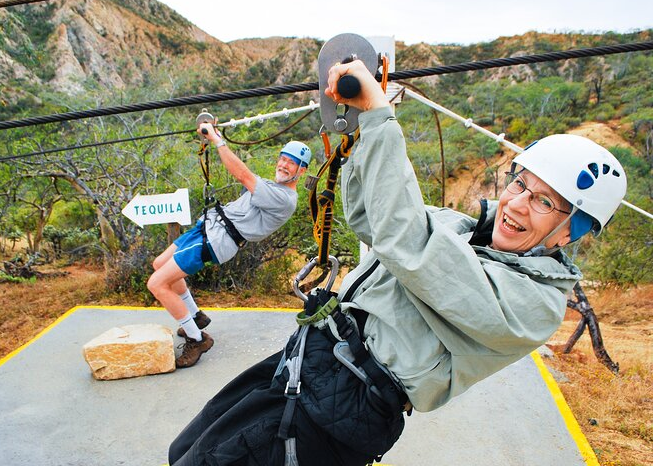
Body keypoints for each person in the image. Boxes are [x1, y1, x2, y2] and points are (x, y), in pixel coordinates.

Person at [167, 61, 627, 465]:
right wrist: (356, 135)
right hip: (310, 356)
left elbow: (407, 243)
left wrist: (381, 119)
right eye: (520, 183)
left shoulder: (533, 305)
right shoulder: (461, 227)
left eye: (545, 201)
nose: (519, 204)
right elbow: (371, 217)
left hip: (346, 406)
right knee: (186, 449)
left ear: (573, 230)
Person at [147, 122, 311, 368]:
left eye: (291, 162)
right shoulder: (273, 186)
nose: (283, 164)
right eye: (282, 158)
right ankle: (195, 316)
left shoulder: (285, 199)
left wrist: (216, 139)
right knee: (159, 264)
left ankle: (196, 338)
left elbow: (242, 175)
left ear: (302, 170)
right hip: (208, 227)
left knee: (157, 283)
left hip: (217, 240)